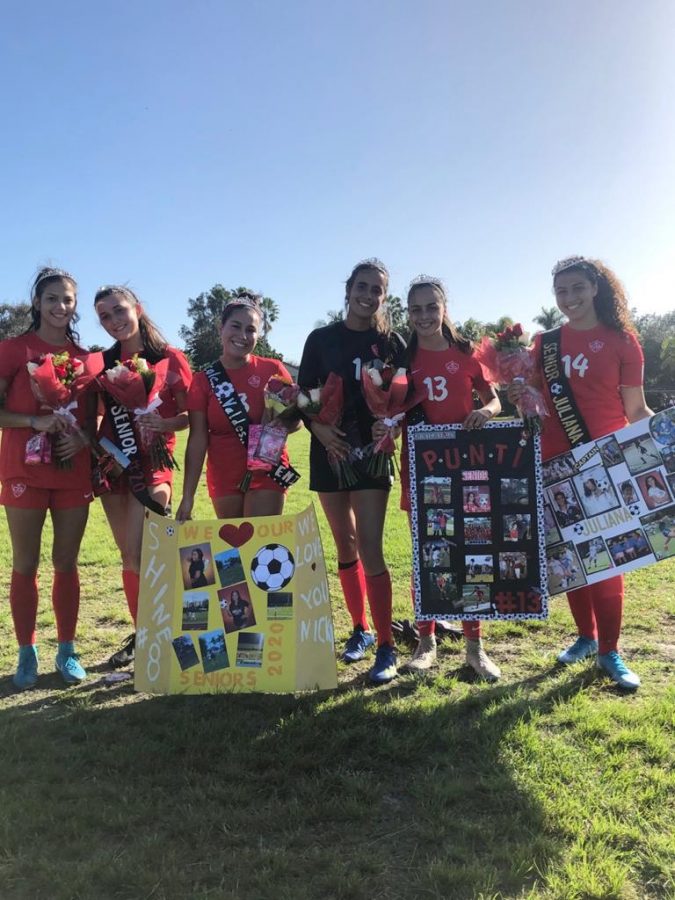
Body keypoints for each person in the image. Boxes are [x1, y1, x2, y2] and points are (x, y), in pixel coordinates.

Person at [514, 256, 653, 689]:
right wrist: (521, 393)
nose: (569, 299)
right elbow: (533, 401)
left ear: (595, 288)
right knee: (570, 557)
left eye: (577, 288)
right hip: (554, 459)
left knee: (609, 558)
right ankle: (586, 638)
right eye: (561, 292)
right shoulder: (544, 344)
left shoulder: (623, 340)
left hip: (605, 461)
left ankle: (611, 651)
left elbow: (636, 409)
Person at [298, 259, 406, 684]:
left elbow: (403, 396)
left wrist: (389, 422)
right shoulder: (320, 339)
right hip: (331, 450)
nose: (368, 294)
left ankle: (386, 644)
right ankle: (359, 629)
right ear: (348, 289)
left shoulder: (391, 342)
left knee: (371, 546)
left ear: (383, 296)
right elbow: (302, 395)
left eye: (377, 289)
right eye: (362, 286)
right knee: (344, 544)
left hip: (373, 453)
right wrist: (320, 429)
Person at [394, 276, 502, 678]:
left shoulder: (466, 352)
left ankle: (475, 647)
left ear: (444, 309)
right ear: (408, 314)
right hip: (421, 471)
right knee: (428, 555)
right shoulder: (402, 360)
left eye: (431, 307)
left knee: (470, 555)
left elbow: (494, 397)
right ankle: (426, 642)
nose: (424, 316)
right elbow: (391, 409)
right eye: (416, 309)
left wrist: (487, 412)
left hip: (468, 468)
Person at [0, 267, 98, 688]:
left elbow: (96, 419)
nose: (61, 306)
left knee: (66, 562)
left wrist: (82, 442)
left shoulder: (88, 358)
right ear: (37, 303)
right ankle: (26, 651)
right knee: (25, 563)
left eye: (69, 300)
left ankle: (67, 650)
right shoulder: (12, 350)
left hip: (72, 470)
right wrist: (32, 422)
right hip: (23, 469)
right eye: (53, 298)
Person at [95, 285, 192, 668]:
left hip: (153, 463)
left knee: (143, 552)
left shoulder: (169, 358)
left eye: (119, 311)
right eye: (104, 316)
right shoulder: (101, 361)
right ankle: (145, 634)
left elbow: (189, 417)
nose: (114, 321)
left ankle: (162, 632)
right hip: (113, 464)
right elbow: (97, 414)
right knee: (129, 556)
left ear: (136, 308)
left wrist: (162, 421)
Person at [176, 290, 300, 523]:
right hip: (224, 472)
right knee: (235, 547)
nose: (243, 335)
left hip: (267, 465)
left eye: (251, 330)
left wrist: (281, 422)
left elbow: (297, 420)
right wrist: (188, 496)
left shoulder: (272, 369)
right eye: (235, 326)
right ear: (220, 328)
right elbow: (197, 439)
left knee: (259, 547)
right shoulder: (203, 380)